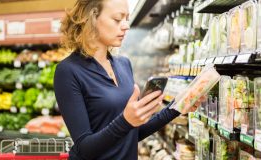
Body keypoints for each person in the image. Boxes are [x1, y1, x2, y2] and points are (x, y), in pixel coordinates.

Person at [54, 0, 204, 159]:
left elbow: (133, 134)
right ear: (92, 18)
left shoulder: (123, 64)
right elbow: (85, 149)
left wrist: (178, 106)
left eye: (127, 18)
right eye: (118, 19)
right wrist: (125, 120)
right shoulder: (69, 71)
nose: (126, 25)